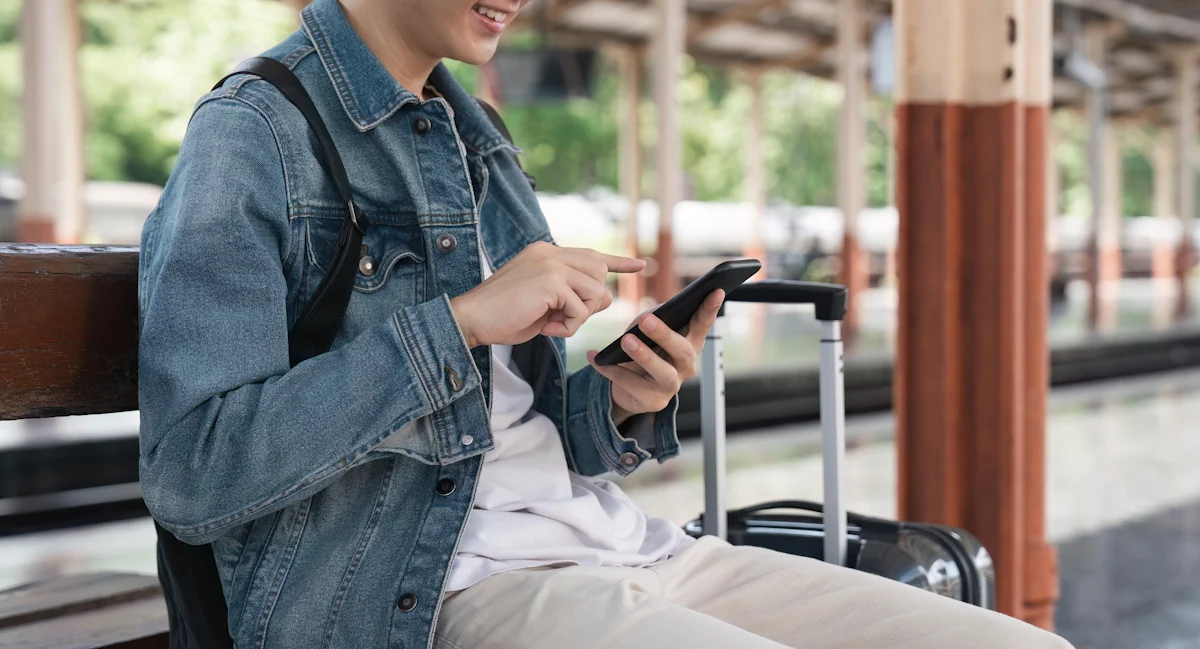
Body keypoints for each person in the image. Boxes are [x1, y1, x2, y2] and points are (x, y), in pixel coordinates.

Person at [136, 1, 1075, 648]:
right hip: (425, 593)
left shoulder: (475, 142)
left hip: (630, 549)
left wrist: (620, 403)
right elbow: (194, 468)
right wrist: (459, 321)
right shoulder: (255, 133)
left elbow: (517, 436)